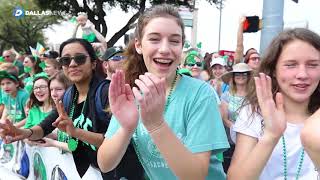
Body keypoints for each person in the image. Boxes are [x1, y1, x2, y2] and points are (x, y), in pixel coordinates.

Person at [97, 4, 229, 180]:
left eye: (174, 41)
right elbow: (105, 164)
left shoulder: (200, 94)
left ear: (182, 46)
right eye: (154, 39)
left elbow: (196, 176)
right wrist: (126, 129)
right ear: (138, 45)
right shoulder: (133, 93)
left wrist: (156, 125)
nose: (165, 49)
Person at [0, 38, 143, 179]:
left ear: (93, 63)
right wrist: (22, 132)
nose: (72, 64)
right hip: (93, 173)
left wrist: (75, 132)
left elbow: (115, 141)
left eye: (80, 59)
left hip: (121, 173)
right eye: (66, 60)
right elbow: (44, 127)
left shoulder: (107, 93)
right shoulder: (69, 96)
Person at [228, 28, 320, 180]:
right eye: (291, 65)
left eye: (312, 64)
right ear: (274, 70)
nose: (302, 74)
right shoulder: (253, 114)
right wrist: (271, 135)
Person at [219, 63, 252, 172]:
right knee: (229, 170)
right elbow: (224, 119)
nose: (241, 76)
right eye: (237, 73)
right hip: (230, 142)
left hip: (250, 140)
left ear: (249, 76)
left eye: (244, 73)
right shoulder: (226, 96)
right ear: (233, 77)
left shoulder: (254, 96)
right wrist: (235, 128)